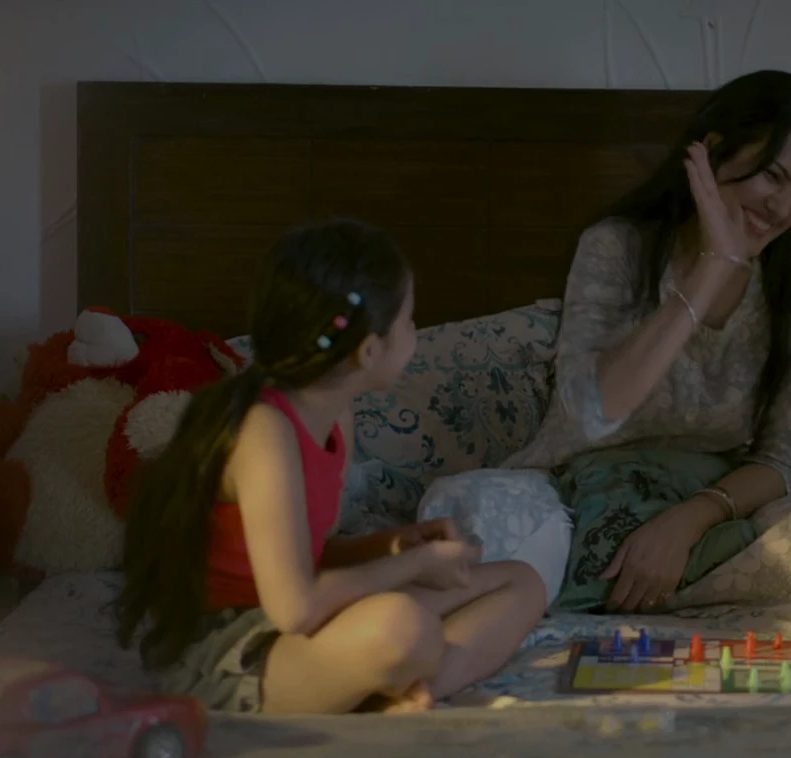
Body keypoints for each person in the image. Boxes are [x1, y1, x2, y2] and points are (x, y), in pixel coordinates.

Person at [115, 219, 547, 715]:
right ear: (369, 351)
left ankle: (401, 692)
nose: (415, 335)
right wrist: (416, 564)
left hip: (304, 625)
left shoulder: (335, 417)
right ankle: (391, 685)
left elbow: (310, 553)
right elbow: (296, 607)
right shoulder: (265, 432)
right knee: (402, 627)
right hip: (236, 650)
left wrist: (394, 544)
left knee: (521, 581)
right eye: (409, 323)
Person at [500, 70, 791, 614]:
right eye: (772, 177)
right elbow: (590, 414)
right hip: (576, 489)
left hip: (713, 501)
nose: (782, 207)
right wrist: (714, 266)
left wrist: (686, 521)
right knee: (465, 515)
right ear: (712, 152)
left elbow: (785, 460)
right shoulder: (615, 248)